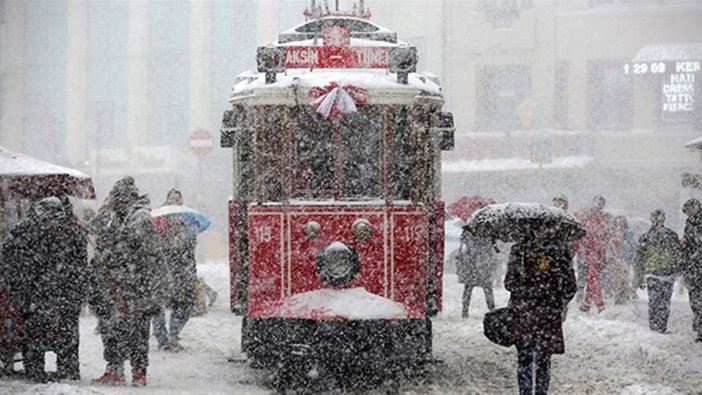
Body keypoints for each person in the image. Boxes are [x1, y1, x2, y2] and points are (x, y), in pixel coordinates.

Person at [1, 197, 89, 382]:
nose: (52, 224)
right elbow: (8, 260)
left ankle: (66, 370)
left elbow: (76, 264)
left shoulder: (66, 232)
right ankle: (37, 371)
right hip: (32, 292)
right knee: (35, 332)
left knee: (64, 331)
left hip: (55, 291)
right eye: (49, 220)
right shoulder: (24, 232)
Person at [90, 176, 166, 386]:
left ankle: (138, 372)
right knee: (112, 328)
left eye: (114, 196)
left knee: (138, 332)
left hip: (137, 286)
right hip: (117, 286)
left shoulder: (139, 218)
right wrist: (106, 208)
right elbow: (95, 227)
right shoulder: (116, 216)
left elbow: (141, 252)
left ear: (124, 198)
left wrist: (113, 247)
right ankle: (115, 370)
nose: (111, 200)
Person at [504, 223, 577, 395]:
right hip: (530, 311)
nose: (540, 232)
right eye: (537, 228)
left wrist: (556, 300)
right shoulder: (519, 251)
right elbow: (509, 282)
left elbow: (569, 285)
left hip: (540, 312)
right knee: (526, 357)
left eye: (544, 228)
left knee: (541, 359)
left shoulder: (559, 252)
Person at [152, 189, 198, 351]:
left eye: (177, 199)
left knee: (184, 305)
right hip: (162, 270)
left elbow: (191, 242)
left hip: (182, 269)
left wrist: (181, 233)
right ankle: (162, 338)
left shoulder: (187, 218)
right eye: (171, 198)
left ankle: (173, 334)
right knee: (158, 306)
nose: (174, 201)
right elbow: (153, 243)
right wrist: (166, 242)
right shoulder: (158, 218)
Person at [633, 209, 680, 334]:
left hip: (665, 273)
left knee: (663, 302)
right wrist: (638, 276)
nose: (657, 221)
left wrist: (676, 269)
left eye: (659, 218)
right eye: (655, 218)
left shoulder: (670, 235)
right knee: (655, 301)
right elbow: (639, 258)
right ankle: (655, 327)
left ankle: (660, 326)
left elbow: (678, 255)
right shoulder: (647, 237)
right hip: (653, 273)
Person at [574, 195, 613, 313]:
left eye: (602, 203)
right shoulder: (586, 215)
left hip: (598, 251)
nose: (599, 206)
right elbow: (583, 234)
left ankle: (586, 303)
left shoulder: (602, 218)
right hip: (590, 251)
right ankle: (600, 305)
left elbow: (606, 235)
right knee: (593, 277)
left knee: (592, 277)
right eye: (598, 203)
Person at [455, 229, 497, 318]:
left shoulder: (469, 231)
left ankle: (465, 311)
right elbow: (495, 248)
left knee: (469, 288)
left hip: (473, 264)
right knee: (486, 289)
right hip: (482, 264)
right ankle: (492, 309)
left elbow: (463, 242)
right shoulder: (488, 231)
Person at [680, 198, 702, 342]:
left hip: (697, 265)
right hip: (692, 267)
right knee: (695, 299)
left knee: (698, 300)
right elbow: (688, 243)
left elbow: (696, 243)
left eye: (688, 211)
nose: (687, 214)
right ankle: (699, 324)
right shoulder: (689, 223)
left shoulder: (698, 223)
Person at [608, 216, 638, 304]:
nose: (620, 224)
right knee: (616, 279)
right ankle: (618, 295)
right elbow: (609, 245)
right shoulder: (613, 232)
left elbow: (633, 246)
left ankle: (624, 295)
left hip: (624, 259)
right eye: (618, 222)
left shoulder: (628, 233)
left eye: (622, 222)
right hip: (615, 259)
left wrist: (625, 246)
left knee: (624, 278)